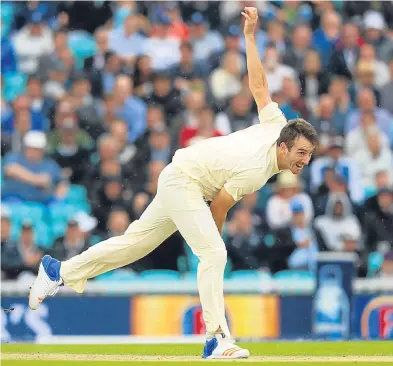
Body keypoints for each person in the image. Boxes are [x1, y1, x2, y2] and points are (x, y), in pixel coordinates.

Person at [29, 7, 318, 360]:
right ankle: (216, 337)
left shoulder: (277, 124)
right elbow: (219, 209)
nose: (305, 161)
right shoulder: (256, 169)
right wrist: (207, 242)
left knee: (132, 246)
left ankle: (58, 271)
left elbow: (258, 85)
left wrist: (249, 36)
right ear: (285, 146)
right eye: (302, 153)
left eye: (309, 155)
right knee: (214, 252)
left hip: (181, 179)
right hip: (185, 183)